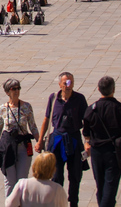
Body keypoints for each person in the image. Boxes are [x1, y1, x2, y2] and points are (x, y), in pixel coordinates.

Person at [82, 76, 121, 207]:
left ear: (98, 89)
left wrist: (88, 143)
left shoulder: (91, 109)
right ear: (114, 90)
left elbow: (86, 134)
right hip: (114, 153)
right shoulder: (120, 109)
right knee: (110, 187)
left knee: (100, 186)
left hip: (96, 153)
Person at [34, 72, 88, 207]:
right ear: (60, 85)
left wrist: (88, 141)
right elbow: (46, 119)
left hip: (74, 140)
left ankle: (73, 203)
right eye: (65, 83)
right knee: (56, 176)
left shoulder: (80, 99)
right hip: (57, 141)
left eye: (71, 82)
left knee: (75, 175)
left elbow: (87, 121)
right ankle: (57, 203)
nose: (68, 86)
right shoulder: (53, 99)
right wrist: (40, 140)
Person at [0, 78, 39, 197]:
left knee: (22, 181)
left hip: (23, 146)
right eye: (14, 89)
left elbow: (33, 126)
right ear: (7, 92)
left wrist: (39, 142)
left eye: (18, 88)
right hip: (8, 148)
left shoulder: (26, 107)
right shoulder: (2, 109)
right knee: (10, 181)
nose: (16, 91)